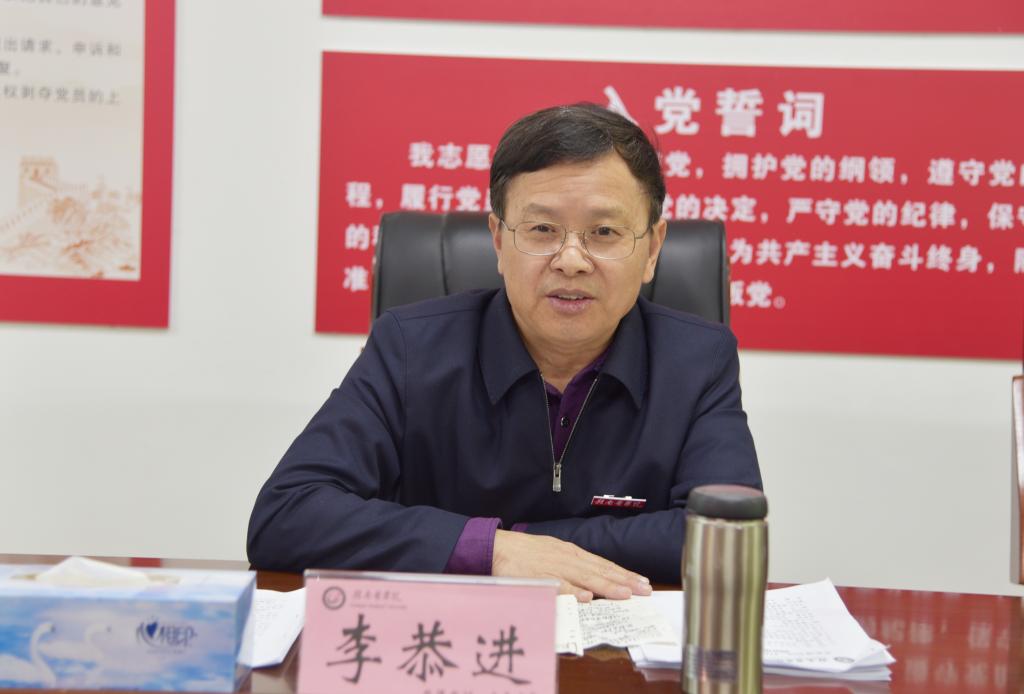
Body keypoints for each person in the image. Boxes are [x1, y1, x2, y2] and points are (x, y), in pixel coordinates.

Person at [247, 103, 761, 601]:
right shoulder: (409, 347)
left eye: (604, 232)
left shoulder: (699, 360)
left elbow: (724, 537)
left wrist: (520, 544)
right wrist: (492, 551)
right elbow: (287, 514)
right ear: (497, 240)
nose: (572, 260)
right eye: (542, 230)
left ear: (652, 249)